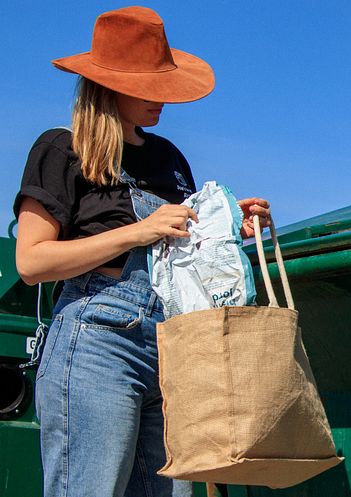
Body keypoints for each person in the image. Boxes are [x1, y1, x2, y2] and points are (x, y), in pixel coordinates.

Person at [13, 7, 269, 497]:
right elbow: (31, 263)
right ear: (109, 83)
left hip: (175, 349)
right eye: (148, 86)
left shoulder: (170, 158)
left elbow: (182, 262)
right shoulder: (62, 149)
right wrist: (137, 232)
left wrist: (231, 229)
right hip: (98, 343)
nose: (162, 101)